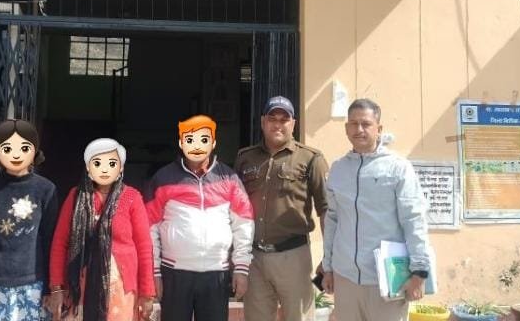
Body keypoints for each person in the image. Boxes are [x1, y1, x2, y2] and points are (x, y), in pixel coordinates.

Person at [321, 98, 432, 321]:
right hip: (346, 277)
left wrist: (419, 271)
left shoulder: (398, 168)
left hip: (388, 278)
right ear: (346, 128)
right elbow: (332, 219)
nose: (359, 129)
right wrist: (328, 267)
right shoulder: (338, 169)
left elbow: (414, 219)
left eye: (366, 124)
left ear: (379, 129)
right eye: (353, 124)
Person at [145, 114, 255, 321]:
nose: (196, 146)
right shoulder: (163, 178)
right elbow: (149, 228)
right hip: (174, 273)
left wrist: (241, 268)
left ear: (213, 143)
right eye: (190, 139)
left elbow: (244, 224)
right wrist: (155, 271)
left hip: (216, 273)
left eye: (203, 139)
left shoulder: (230, 179)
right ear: (181, 143)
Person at [233, 95, 329, 321]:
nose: (278, 124)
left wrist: (329, 256)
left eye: (284, 120)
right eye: (272, 119)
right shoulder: (245, 158)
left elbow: (326, 209)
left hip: (293, 256)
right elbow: (233, 209)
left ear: (293, 124)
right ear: (262, 122)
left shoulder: (311, 158)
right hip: (254, 258)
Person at [49, 138, 156, 321]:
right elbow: (60, 243)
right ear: (88, 167)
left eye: (112, 163)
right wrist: (57, 288)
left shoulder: (132, 198)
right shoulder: (76, 196)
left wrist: (147, 292)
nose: (105, 169)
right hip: (80, 290)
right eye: (97, 163)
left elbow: (144, 247)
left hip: (120, 291)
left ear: (120, 168)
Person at [0, 119, 59, 320]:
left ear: (34, 151)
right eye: (7, 148)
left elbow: (50, 242)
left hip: (34, 286)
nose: (16, 154)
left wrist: (50, 287)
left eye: (24, 148)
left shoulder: (46, 190)